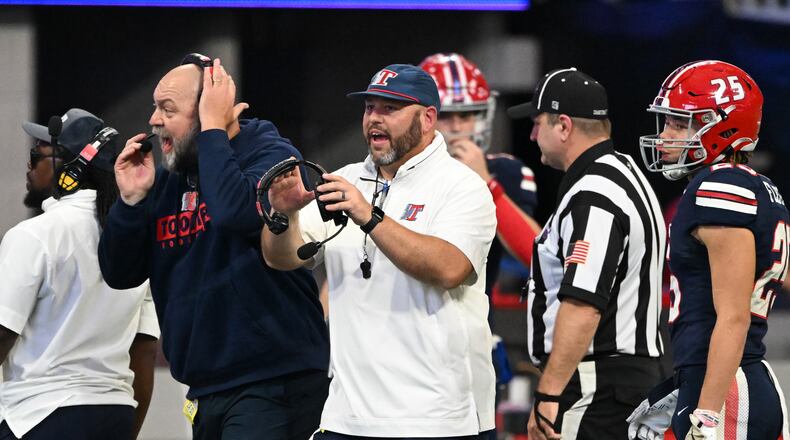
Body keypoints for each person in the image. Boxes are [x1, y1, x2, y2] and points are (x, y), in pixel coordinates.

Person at [97, 55, 330, 439]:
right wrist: (132, 201)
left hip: (273, 380)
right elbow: (120, 273)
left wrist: (212, 131)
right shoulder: (171, 174)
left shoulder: (268, 151)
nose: (154, 120)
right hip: (207, 388)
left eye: (167, 109)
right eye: (155, 107)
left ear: (211, 109)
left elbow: (235, 213)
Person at [261, 63, 497, 439]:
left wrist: (369, 216)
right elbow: (283, 257)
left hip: (435, 418)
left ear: (428, 118)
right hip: (347, 417)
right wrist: (283, 216)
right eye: (370, 107)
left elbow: (450, 267)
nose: (375, 119)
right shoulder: (348, 179)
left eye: (391, 108)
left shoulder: (462, 186)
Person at [629, 60, 789, 440]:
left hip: (727, 387)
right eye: (667, 121)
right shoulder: (757, 186)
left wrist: (708, 411)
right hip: (734, 379)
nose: (666, 134)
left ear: (723, 125)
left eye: (680, 123)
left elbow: (733, 317)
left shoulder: (718, 188)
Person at [508, 67, 667, 440]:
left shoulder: (594, 193)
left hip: (599, 386)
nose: (532, 135)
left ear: (563, 126)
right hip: (624, 380)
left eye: (537, 123)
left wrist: (550, 392)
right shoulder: (623, 172)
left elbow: (583, 303)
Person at [0, 108, 159, 440]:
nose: (29, 166)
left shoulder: (34, 235)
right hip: (115, 415)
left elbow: (2, 333)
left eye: (37, 154)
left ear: (69, 168)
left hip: (40, 415)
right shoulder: (135, 241)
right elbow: (143, 352)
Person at [419, 52, 540, 293]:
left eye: (465, 115)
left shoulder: (504, 172)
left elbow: (537, 255)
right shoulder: (393, 173)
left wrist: (487, 183)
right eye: (444, 115)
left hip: (472, 322)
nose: (456, 126)